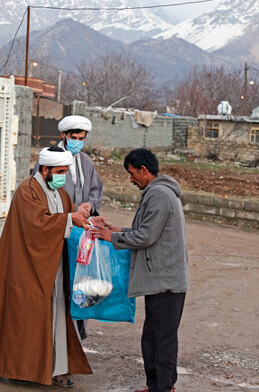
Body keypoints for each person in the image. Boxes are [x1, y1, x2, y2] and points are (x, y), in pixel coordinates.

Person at [0, 146, 93, 388]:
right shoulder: (27, 191)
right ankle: (20, 369)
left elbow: (69, 216)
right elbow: (36, 226)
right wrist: (68, 219)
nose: (63, 176)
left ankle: (57, 369)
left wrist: (84, 215)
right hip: (25, 267)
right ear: (45, 170)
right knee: (25, 319)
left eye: (65, 171)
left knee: (56, 318)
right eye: (60, 171)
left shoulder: (59, 192)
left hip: (52, 266)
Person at [91, 148, 188, 392]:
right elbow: (146, 230)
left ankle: (162, 388)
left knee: (161, 339)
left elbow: (146, 236)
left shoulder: (159, 194)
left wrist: (112, 237)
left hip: (165, 280)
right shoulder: (160, 192)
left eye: (132, 174)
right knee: (155, 337)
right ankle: (160, 385)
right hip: (162, 278)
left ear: (144, 171)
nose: (131, 179)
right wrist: (119, 230)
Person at [33, 114, 104, 339]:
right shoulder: (50, 160)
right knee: (57, 281)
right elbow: (40, 195)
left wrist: (89, 206)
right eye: (74, 137)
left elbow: (95, 190)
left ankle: (76, 333)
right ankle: (54, 332)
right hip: (56, 229)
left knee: (80, 281)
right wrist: (66, 215)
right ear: (63, 135)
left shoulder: (85, 162)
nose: (78, 142)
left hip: (79, 232)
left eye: (82, 138)